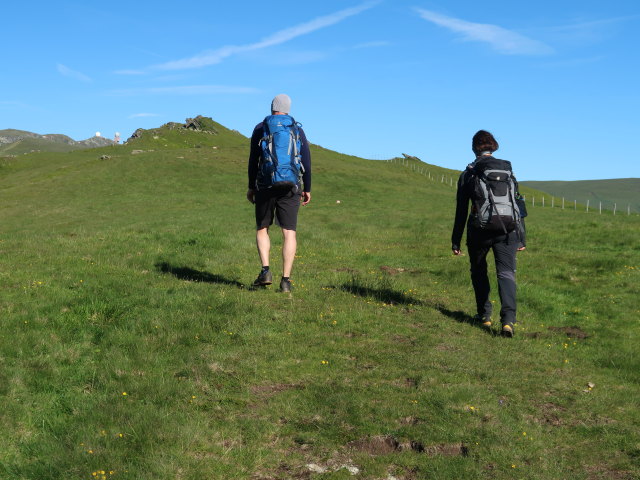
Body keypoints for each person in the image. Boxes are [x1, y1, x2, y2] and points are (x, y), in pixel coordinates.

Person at [451, 130, 525, 337]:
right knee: (506, 273)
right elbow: (518, 204)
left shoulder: (469, 173)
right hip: (509, 230)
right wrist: (521, 237)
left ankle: (484, 316)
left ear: (474, 148)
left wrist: (455, 240)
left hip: (479, 230)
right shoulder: (509, 172)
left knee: (479, 271)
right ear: (493, 147)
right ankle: (508, 321)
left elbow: (461, 209)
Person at [246, 94, 311, 292]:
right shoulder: (296, 129)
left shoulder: (261, 128)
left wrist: (251, 186)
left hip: (266, 184)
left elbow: (253, 160)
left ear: (272, 108)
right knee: (289, 232)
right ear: (288, 109)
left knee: (262, 228)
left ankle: (265, 270)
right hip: (291, 185)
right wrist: (307, 188)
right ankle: (286, 281)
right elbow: (306, 161)